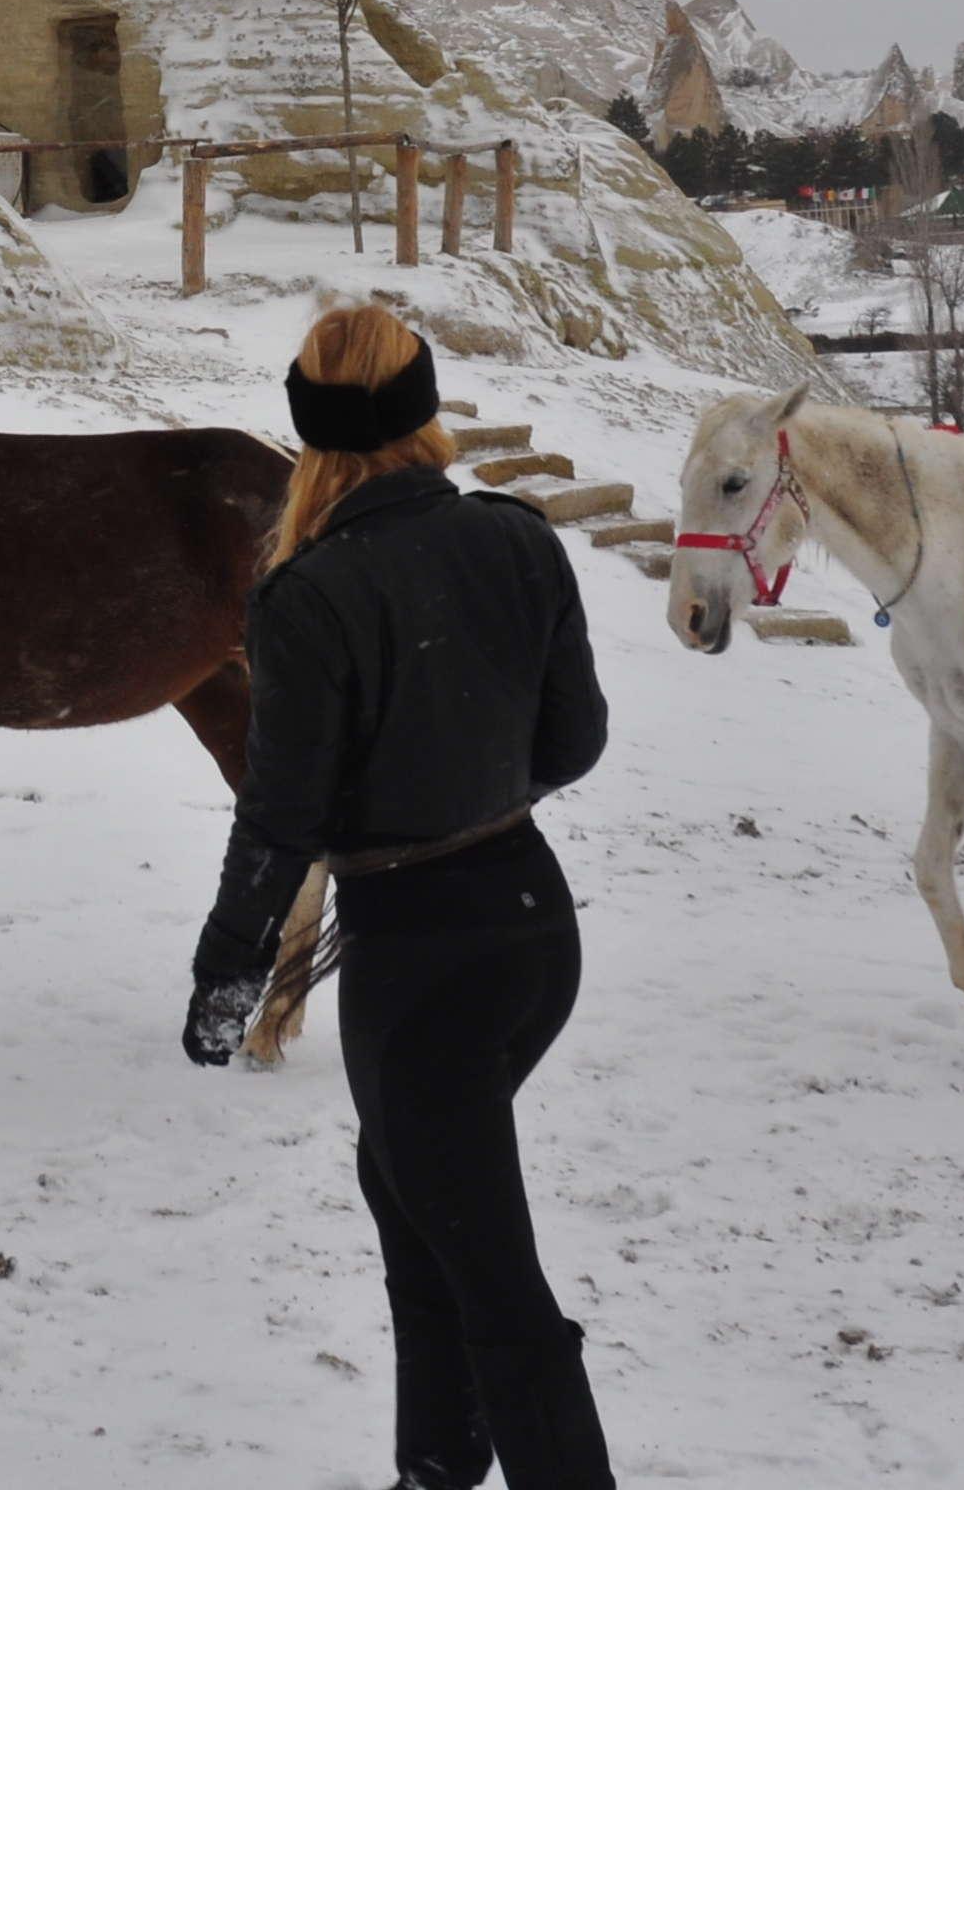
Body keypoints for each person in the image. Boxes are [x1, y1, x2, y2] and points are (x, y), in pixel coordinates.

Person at [183, 302, 616, 1490]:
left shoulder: (305, 594)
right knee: (415, 1194)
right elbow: (574, 742)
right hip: (535, 933)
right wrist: (470, 774)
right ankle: (433, 1472)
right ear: (424, 412)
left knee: (493, 1281)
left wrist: (224, 973)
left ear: (307, 433)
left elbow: (283, 818)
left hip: (417, 966)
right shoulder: (518, 538)